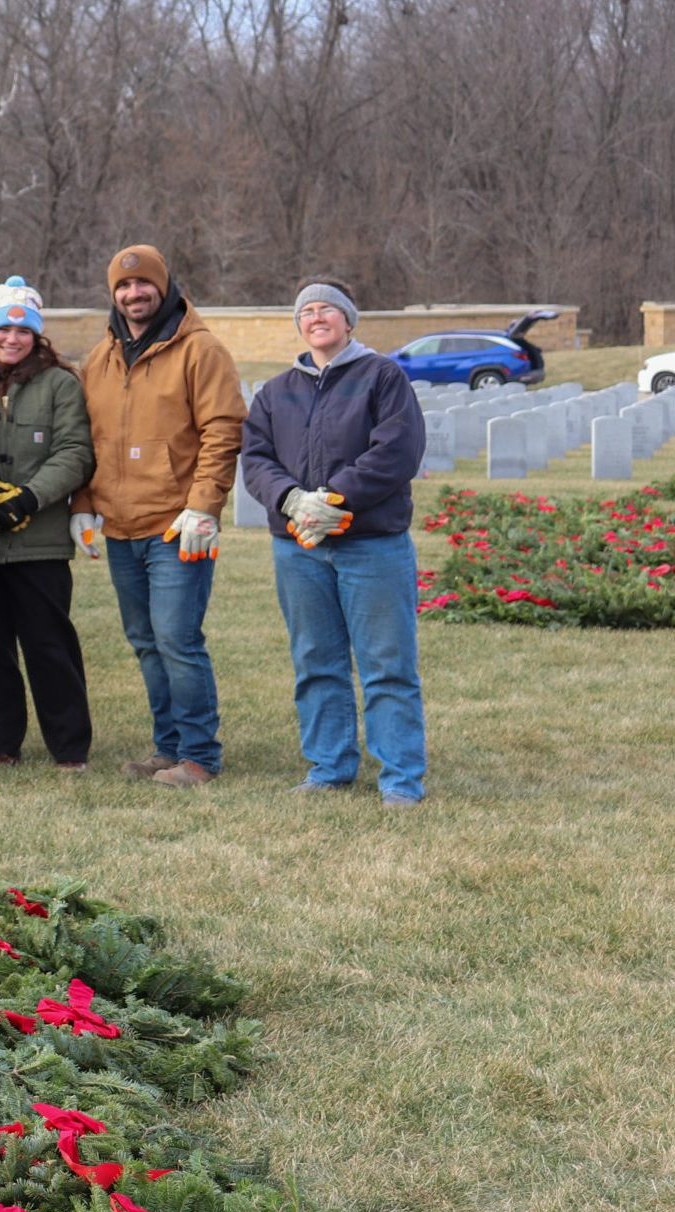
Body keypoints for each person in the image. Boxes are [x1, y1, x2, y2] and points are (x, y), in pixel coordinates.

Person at [241, 280, 429, 806]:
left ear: (348, 321)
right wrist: (292, 500)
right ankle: (329, 767)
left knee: (387, 664)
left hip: (371, 544)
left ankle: (401, 780)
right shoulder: (276, 391)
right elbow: (255, 459)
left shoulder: (382, 377)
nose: (315, 317)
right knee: (315, 661)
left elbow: (398, 449)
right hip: (299, 547)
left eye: (327, 309)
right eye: (306, 311)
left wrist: (335, 498)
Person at [69, 244, 246, 788]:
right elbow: (85, 440)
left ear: (163, 286)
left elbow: (223, 429)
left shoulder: (200, 350)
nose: (133, 293)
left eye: (143, 284)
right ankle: (166, 747)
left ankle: (199, 755)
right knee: (146, 641)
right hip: (121, 528)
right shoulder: (100, 359)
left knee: (177, 638)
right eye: (123, 287)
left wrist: (204, 506)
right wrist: (81, 507)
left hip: (177, 526)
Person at [0, 277, 97, 770]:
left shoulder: (60, 383)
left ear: (37, 335)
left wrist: (29, 498)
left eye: (23, 331)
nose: (12, 339)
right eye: (3, 330)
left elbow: (75, 451)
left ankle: (70, 747)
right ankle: (1, 744)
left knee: (49, 645)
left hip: (40, 542)